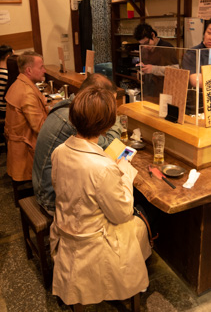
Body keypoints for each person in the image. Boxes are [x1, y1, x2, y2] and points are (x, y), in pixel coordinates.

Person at [50, 86, 151, 306]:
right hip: (95, 244)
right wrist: (123, 172)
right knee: (140, 222)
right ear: (106, 124)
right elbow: (121, 214)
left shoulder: (59, 152)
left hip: (67, 231)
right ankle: (134, 285)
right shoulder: (103, 168)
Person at [32, 73, 124, 215]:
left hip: (44, 186)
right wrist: (115, 120)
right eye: (109, 104)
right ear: (95, 97)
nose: (111, 109)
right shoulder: (74, 121)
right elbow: (111, 148)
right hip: (50, 199)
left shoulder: (66, 107)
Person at [4, 51, 48, 200]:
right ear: (29, 70)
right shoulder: (27, 92)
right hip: (27, 151)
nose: (45, 70)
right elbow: (41, 128)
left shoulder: (18, 84)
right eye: (41, 67)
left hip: (18, 146)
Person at [133, 23, 179, 101]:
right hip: (149, 91)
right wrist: (143, 68)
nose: (145, 47)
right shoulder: (144, 49)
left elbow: (176, 70)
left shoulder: (166, 47)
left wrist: (153, 69)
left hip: (165, 92)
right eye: (142, 44)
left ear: (153, 35)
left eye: (147, 43)